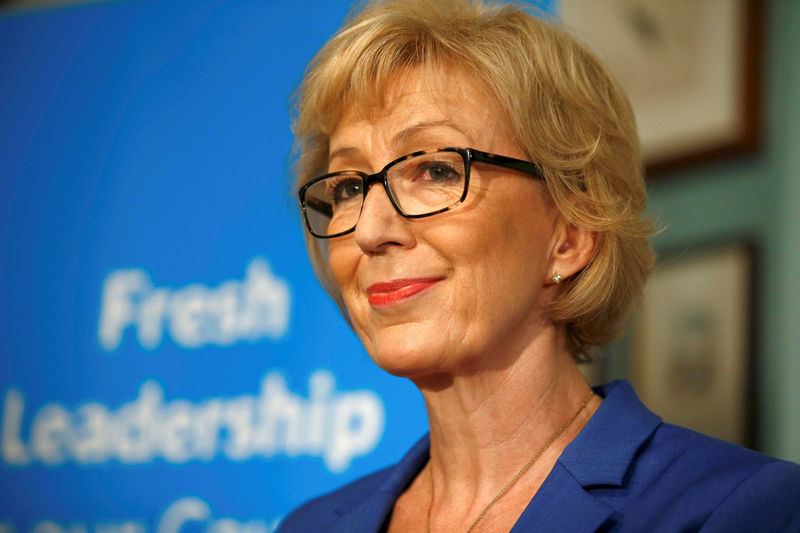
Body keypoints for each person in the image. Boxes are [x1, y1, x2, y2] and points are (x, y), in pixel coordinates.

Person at [279, 0, 800, 531]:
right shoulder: (310, 526)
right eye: (347, 187)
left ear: (571, 235)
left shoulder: (739, 509)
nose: (369, 230)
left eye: (434, 169)